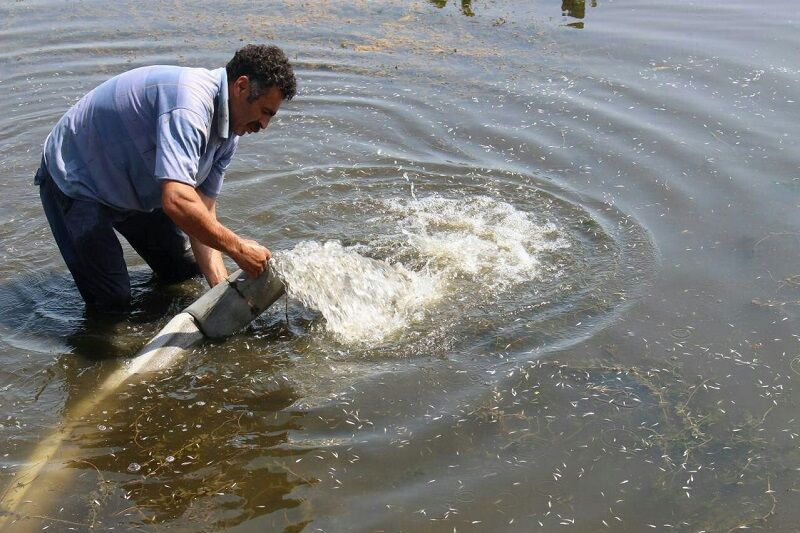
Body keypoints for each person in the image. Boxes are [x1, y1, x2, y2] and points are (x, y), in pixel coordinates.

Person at [35, 44, 296, 314]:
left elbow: (203, 210)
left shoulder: (230, 132)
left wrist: (222, 293)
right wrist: (238, 249)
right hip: (78, 179)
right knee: (113, 302)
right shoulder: (190, 107)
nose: (264, 125)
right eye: (266, 112)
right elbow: (176, 201)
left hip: (132, 181)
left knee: (183, 272)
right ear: (241, 86)